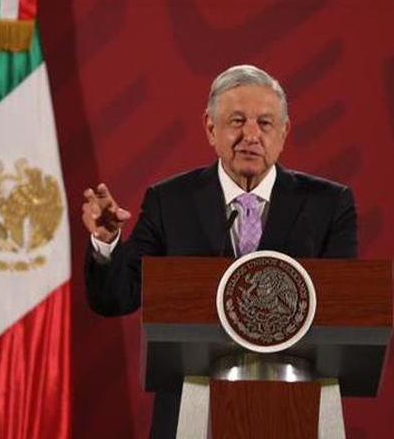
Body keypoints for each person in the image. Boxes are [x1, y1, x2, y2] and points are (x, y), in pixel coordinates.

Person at [82, 64, 357, 437]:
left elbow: (343, 312)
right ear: (210, 129)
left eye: (265, 123)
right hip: (191, 415)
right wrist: (107, 242)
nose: (251, 136)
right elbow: (116, 297)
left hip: (295, 412)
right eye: (237, 121)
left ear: (283, 132)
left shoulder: (329, 204)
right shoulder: (170, 201)